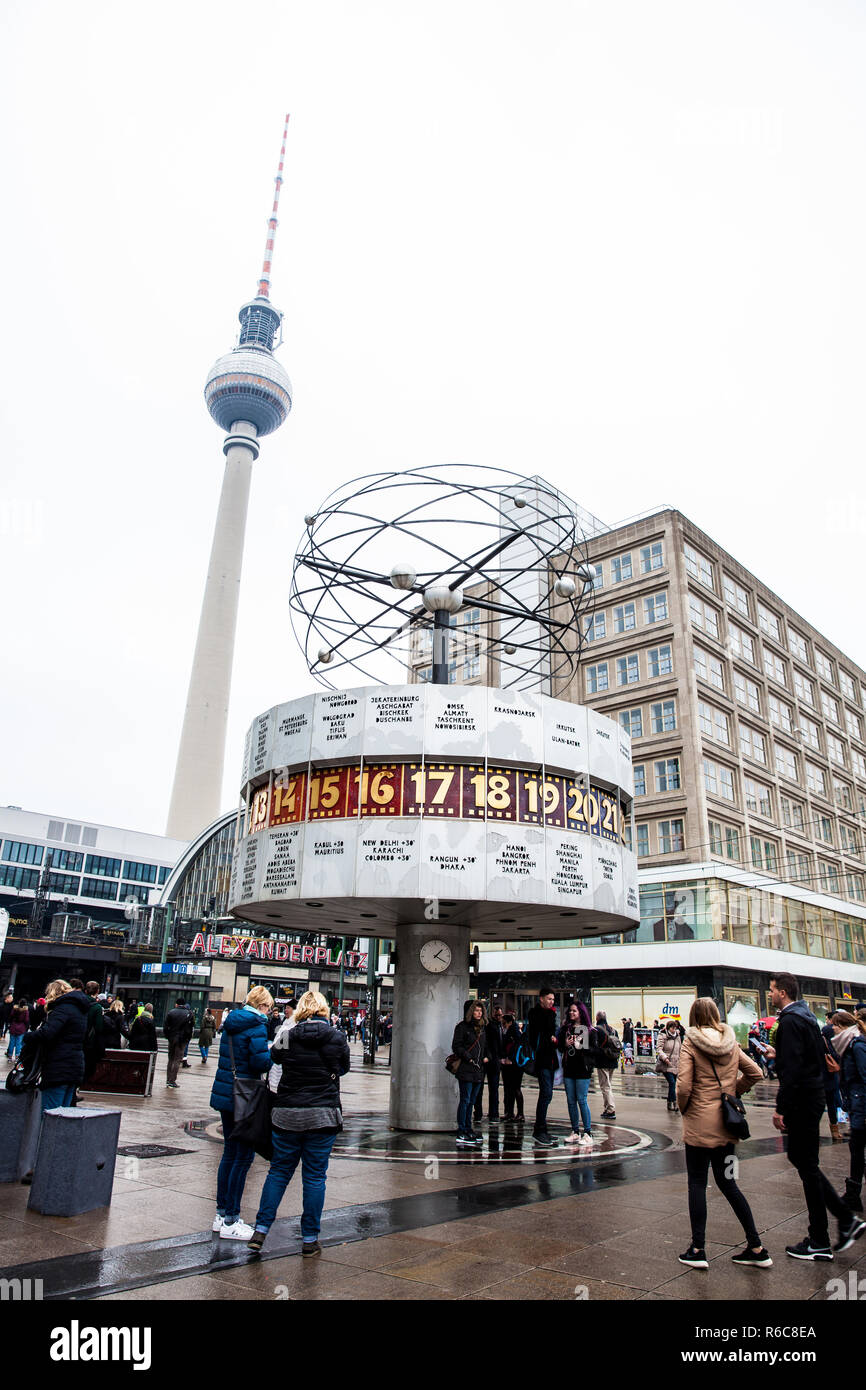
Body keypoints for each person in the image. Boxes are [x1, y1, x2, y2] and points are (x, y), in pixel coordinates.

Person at [769, 973, 865, 1259]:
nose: (771, 994)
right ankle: (823, 1235)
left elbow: (794, 1070)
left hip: (801, 1101)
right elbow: (811, 1059)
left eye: (773, 990)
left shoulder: (789, 1021)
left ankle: (836, 1227)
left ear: (783, 992)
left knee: (805, 1163)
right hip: (813, 1097)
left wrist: (781, 1107)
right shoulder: (807, 1017)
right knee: (804, 1161)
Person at [247, 991, 350, 1254]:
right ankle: (309, 1239)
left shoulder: (286, 1037)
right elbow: (344, 1067)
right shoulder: (337, 1037)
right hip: (322, 1115)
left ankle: (260, 1230)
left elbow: (274, 1059)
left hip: (287, 1114)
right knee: (315, 1177)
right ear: (324, 1010)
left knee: (279, 1172)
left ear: (302, 1009)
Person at [675, 997, 770, 1269]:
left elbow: (683, 1087)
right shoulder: (729, 1040)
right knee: (729, 1183)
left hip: (699, 1127)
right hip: (727, 1126)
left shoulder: (690, 1041)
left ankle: (698, 1248)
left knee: (696, 1182)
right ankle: (756, 1246)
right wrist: (732, 1094)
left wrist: (686, 1109)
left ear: (694, 1015)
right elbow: (755, 1073)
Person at [209, 985, 274, 1239]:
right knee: (243, 1157)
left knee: (229, 1153)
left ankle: (221, 1212)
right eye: (268, 1007)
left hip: (226, 1093)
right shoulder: (257, 1025)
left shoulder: (232, 1022)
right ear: (262, 1006)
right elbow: (260, 1062)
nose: (269, 1012)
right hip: (245, 1095)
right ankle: (231, 1220)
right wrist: (272, 1053)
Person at [829, 1010, 866, 1217]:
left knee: (857, 1148)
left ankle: (853, 1195)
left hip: (862, 1107)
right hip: (858, 1105)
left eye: (834, 1024)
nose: (831, 1028)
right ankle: (853, 1194)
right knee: (857, 1148)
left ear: (841, 1026)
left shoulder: (857, 1046)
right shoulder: (851, 1044)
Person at [37, 979, 92, 1112]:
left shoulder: (63, 1008)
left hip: (59, 1067)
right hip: (74, 1066)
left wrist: (29, 1037)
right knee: (63, 1115)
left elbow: (48, 1033)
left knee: (49, 1114)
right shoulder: (80, 1009)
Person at [557, 1002, 596, 1148]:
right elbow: (560, 1047)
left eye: (575, 1011)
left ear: (581, 1012)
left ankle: (587, 1132)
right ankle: (575, 1130)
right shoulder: (566, 1029)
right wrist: (566, 1044)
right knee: (571, 1100)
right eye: (570, 1011)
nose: (572, 1013)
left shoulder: (589, 1030)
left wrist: (582, 1045)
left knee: (582, 1099)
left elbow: (594, 1050)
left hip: (582, 1069)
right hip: (569, 1068)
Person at [527, 986, 560, 1147]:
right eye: (549, 999)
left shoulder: (551, 1014)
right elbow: (540, 1033)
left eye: (553, 999)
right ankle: (539, 1129)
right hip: (542, 1059)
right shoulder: (536, 1014)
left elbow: (552, 1032)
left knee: (547, 1094)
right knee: (546, 1093)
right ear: (541, 998)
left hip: (550, 1059)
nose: (551, 1002)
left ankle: (542, 1128)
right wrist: (550, 1038)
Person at [451, 1000, 488, 1146]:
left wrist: (487, 1057)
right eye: (476, 1010)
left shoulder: (483, 1028)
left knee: (472, 1100)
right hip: (466, 1069)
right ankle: (462, 1129)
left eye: (481, 1011)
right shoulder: (462, 1027)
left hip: (478, 1069)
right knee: (465, 1100)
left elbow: (486, 1046)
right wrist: (468, 1057)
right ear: (470, 1012)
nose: (479, 1013)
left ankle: (468, 1128)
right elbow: (456, 1046)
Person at [476, 1004, 505, 1123]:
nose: (499, 1016)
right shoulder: (490, 1026)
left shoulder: (498, 1026)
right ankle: (487, 1113)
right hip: (489, 1060)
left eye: (500, 1015)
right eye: (497, 1015)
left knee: (491, 1089)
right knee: (487, 1088)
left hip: (493, 1060)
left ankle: (488, 1113)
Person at [821, 1019, 846, 1142]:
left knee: (825, 1104)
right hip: (830, 1077)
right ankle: (835, 1130)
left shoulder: (822, 1041)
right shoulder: (832, 1044)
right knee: (832, 1103)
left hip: (824, 1078)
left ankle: (834, 1129)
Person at [163, 997, 194, 1088]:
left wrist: (168, 1037)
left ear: (176, 1004)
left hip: (172, 1038)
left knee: (171, 1059)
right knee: (177, 1059)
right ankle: (172, 1080)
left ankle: (168, 1079)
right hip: (182, 1040)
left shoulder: (171, 1012)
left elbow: (165, 1027)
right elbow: (191, 1028)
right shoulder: (189, 1014)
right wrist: (187, 1039)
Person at [268, 999, 296, 1092]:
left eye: (288, 1008)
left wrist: (273, 1047)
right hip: (277, 1063)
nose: (285, 1010)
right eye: (285, 1008)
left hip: (281, 1064)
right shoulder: (286, 1023)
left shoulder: (292, 1025)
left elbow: (282, 1046)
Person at [594, 1011, 619, 1120]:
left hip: (602, 1061)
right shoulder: (613, 1030)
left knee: (605, 1086)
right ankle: (606, 1108)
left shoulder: (597, 1030)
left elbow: (595, 1046)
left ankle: (611, 1110)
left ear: (597, 1018)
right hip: (613, 1060)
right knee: (607, 1085)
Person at [501, 1013, 525, 1121]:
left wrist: (509, 1057)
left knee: (514, 1088)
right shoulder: (512, 1030)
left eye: (504, 1023)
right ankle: (511, 1112)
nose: (503, 1025)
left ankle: (518, 1113)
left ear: (509, 1022)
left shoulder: (513, 1031)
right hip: (511, 1063)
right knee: (511, 1089)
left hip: (513, 1064)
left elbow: (517, 1046)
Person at [82, 980, 105, 1085]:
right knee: (87, 1069)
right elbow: (99, 1028)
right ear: (97, 991)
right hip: (88, 1043)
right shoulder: (97, 1007)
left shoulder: (79, 1001)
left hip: (75, 1039)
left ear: (85, 990)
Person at [657, 1019, 682, 1112]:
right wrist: (664, 1058)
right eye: (672, 1027)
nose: (674, 1029)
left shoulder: (678, 1037)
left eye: (675, 1028)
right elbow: (659, 1049)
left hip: (676, 1064)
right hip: (666, 1064)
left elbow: (680, 1049)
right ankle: (675, 1103)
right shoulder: (663, 1036)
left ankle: (669, 1101)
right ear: (668, 1028)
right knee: (672, 1083)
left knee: (674, 1084)